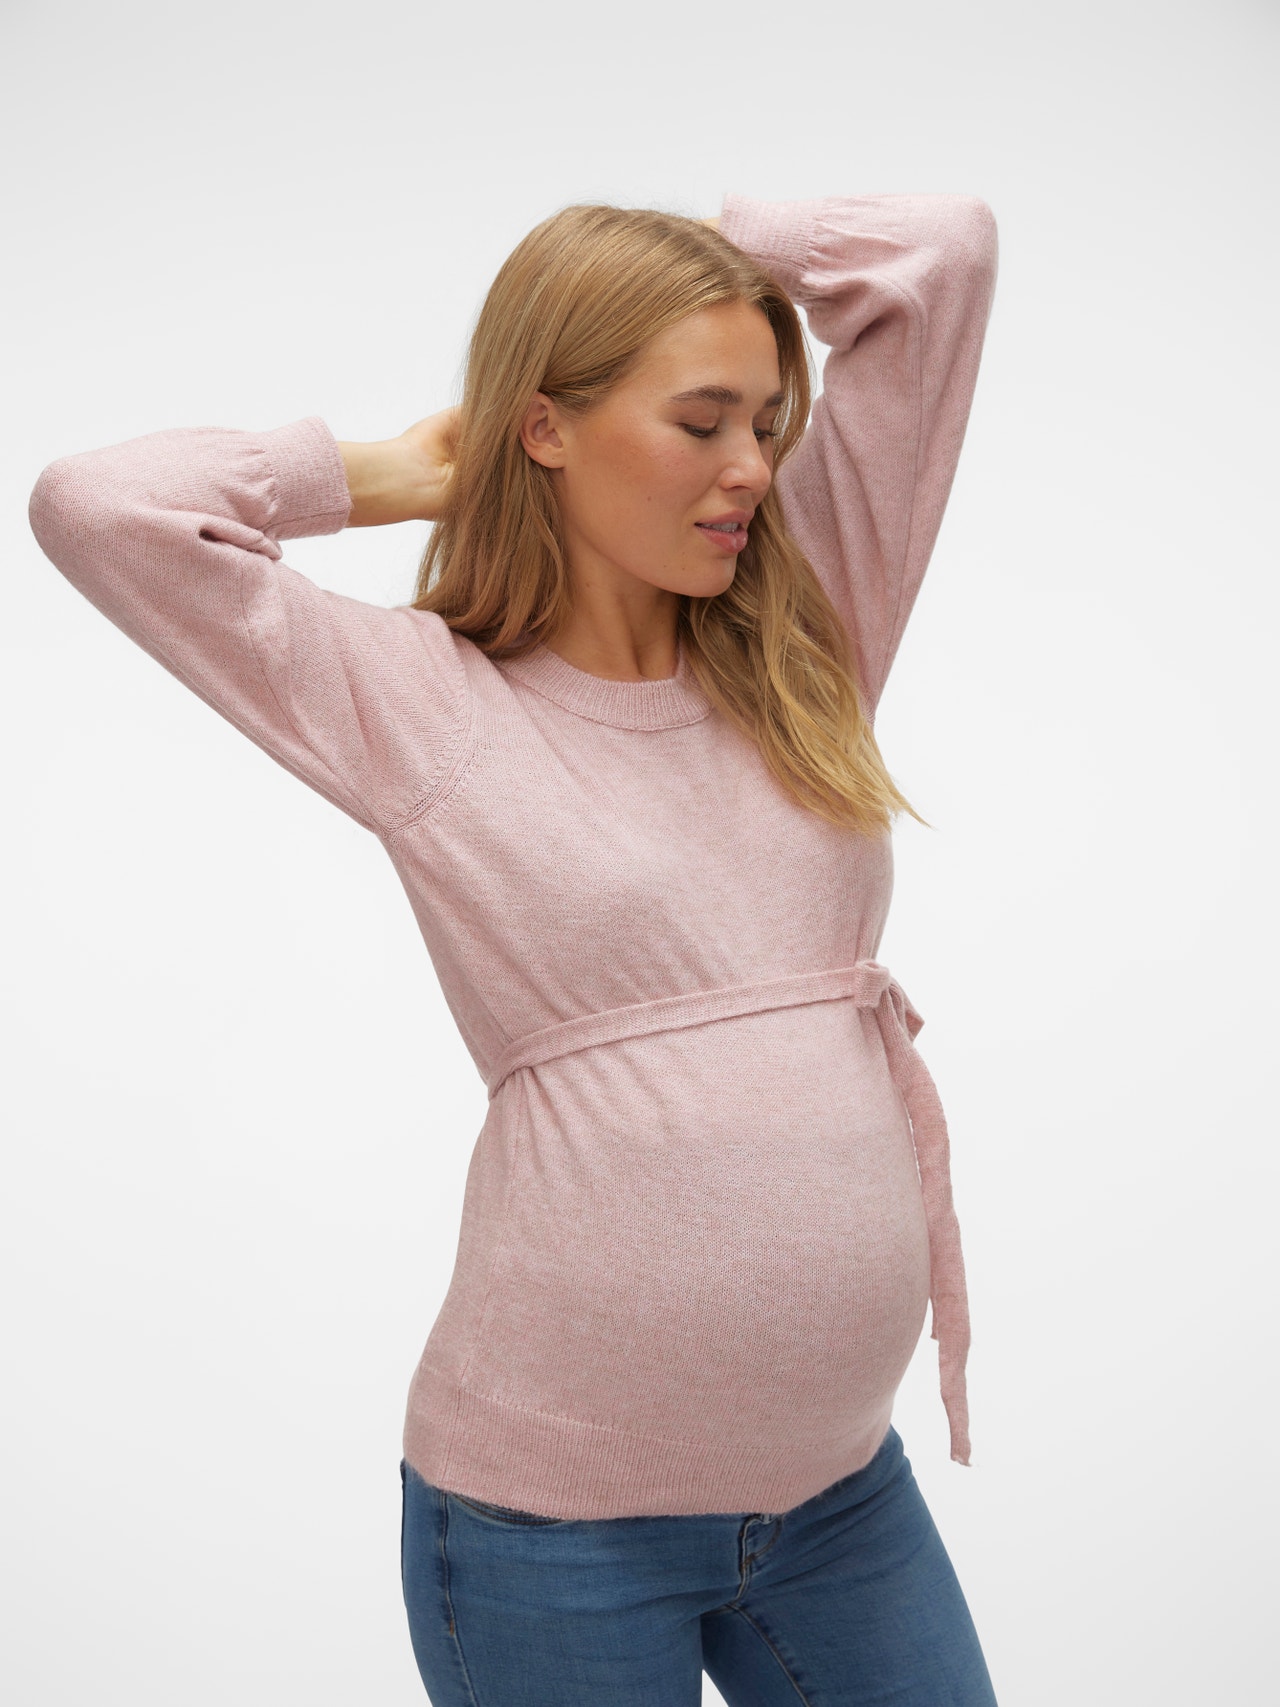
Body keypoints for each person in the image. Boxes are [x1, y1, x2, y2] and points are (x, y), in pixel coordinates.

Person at [28, 189, 1000, 1705]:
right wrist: (375, 475)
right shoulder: (421, 702)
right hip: (553, 1534)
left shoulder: (808, 632)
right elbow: (95, 505)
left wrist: (702, 242)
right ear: (544, 427)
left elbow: (938, 255)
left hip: (839, 1502)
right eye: (701, 422)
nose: (753, 466)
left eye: (767, 422)